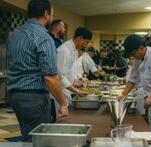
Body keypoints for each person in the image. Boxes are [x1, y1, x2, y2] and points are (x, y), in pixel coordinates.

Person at [6, 0, 68, 142]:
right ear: (46, 14)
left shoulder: (14, 34)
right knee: (38, 140)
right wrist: (63, 103)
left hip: (14, 95)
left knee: (28, 135)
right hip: (33, 97)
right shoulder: (44, 37)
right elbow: (50, 77)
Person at [57, 27, 92, 104]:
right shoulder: (64, 51)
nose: (86, 46)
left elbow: (69, 71)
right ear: (80, 38)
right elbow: (60, 76)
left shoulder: (74, 51)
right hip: (59, 92)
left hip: (67, 90)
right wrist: (76, 91)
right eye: (86, 42)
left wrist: (75, 82)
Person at [49, 19, 65, 123]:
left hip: (59, 78)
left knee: (55, 112)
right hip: (50, 77)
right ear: (58, 27)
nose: (64, 29)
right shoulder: (49, 39)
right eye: (63, 27)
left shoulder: (60, 41)